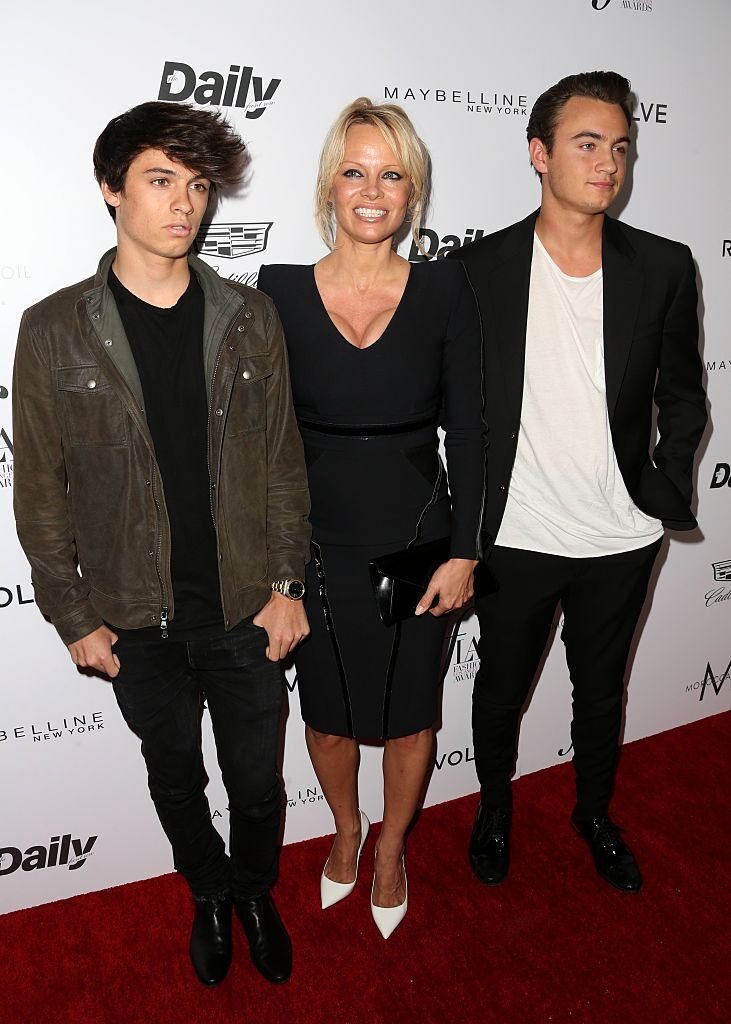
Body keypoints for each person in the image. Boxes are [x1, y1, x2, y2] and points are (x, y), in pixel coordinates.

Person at [13, 101, 311, 986]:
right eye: (158, 180)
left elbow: (284, 465)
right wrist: (72, 615)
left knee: (257, 784)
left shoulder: (250, 317)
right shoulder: (53, 328)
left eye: (196, 186)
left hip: (245, 608)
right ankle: (208, 892)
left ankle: (254, 889)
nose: (183, 204)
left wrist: (288, 584)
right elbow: (40, 490)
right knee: (175, 779)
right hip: (134, 622)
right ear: (110, 189)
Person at [450, 71, 707, 892]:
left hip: (621, 536)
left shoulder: (663, 266)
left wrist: (660, 485)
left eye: (620, 147)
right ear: (538, 153)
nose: (607, 163)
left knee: (601, 694)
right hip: (515, 535)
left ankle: (592, 814)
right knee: (499, 692)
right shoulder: (477, 270)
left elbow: (682, 394)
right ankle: (494, 809)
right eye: (586, 144)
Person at [258, 99, 485, 937]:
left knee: (409, 713)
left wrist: (465, 553)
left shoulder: (441, 288)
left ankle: (392, 846)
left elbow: (467, 430)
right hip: (312, 545)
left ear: (411, 192)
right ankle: (346, 830)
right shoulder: (276, 291)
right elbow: (260, 443)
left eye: (391, 174)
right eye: (354, 170)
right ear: (329, 184)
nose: (371, 189)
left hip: (418, 542)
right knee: (326, 714)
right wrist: (276, 572)